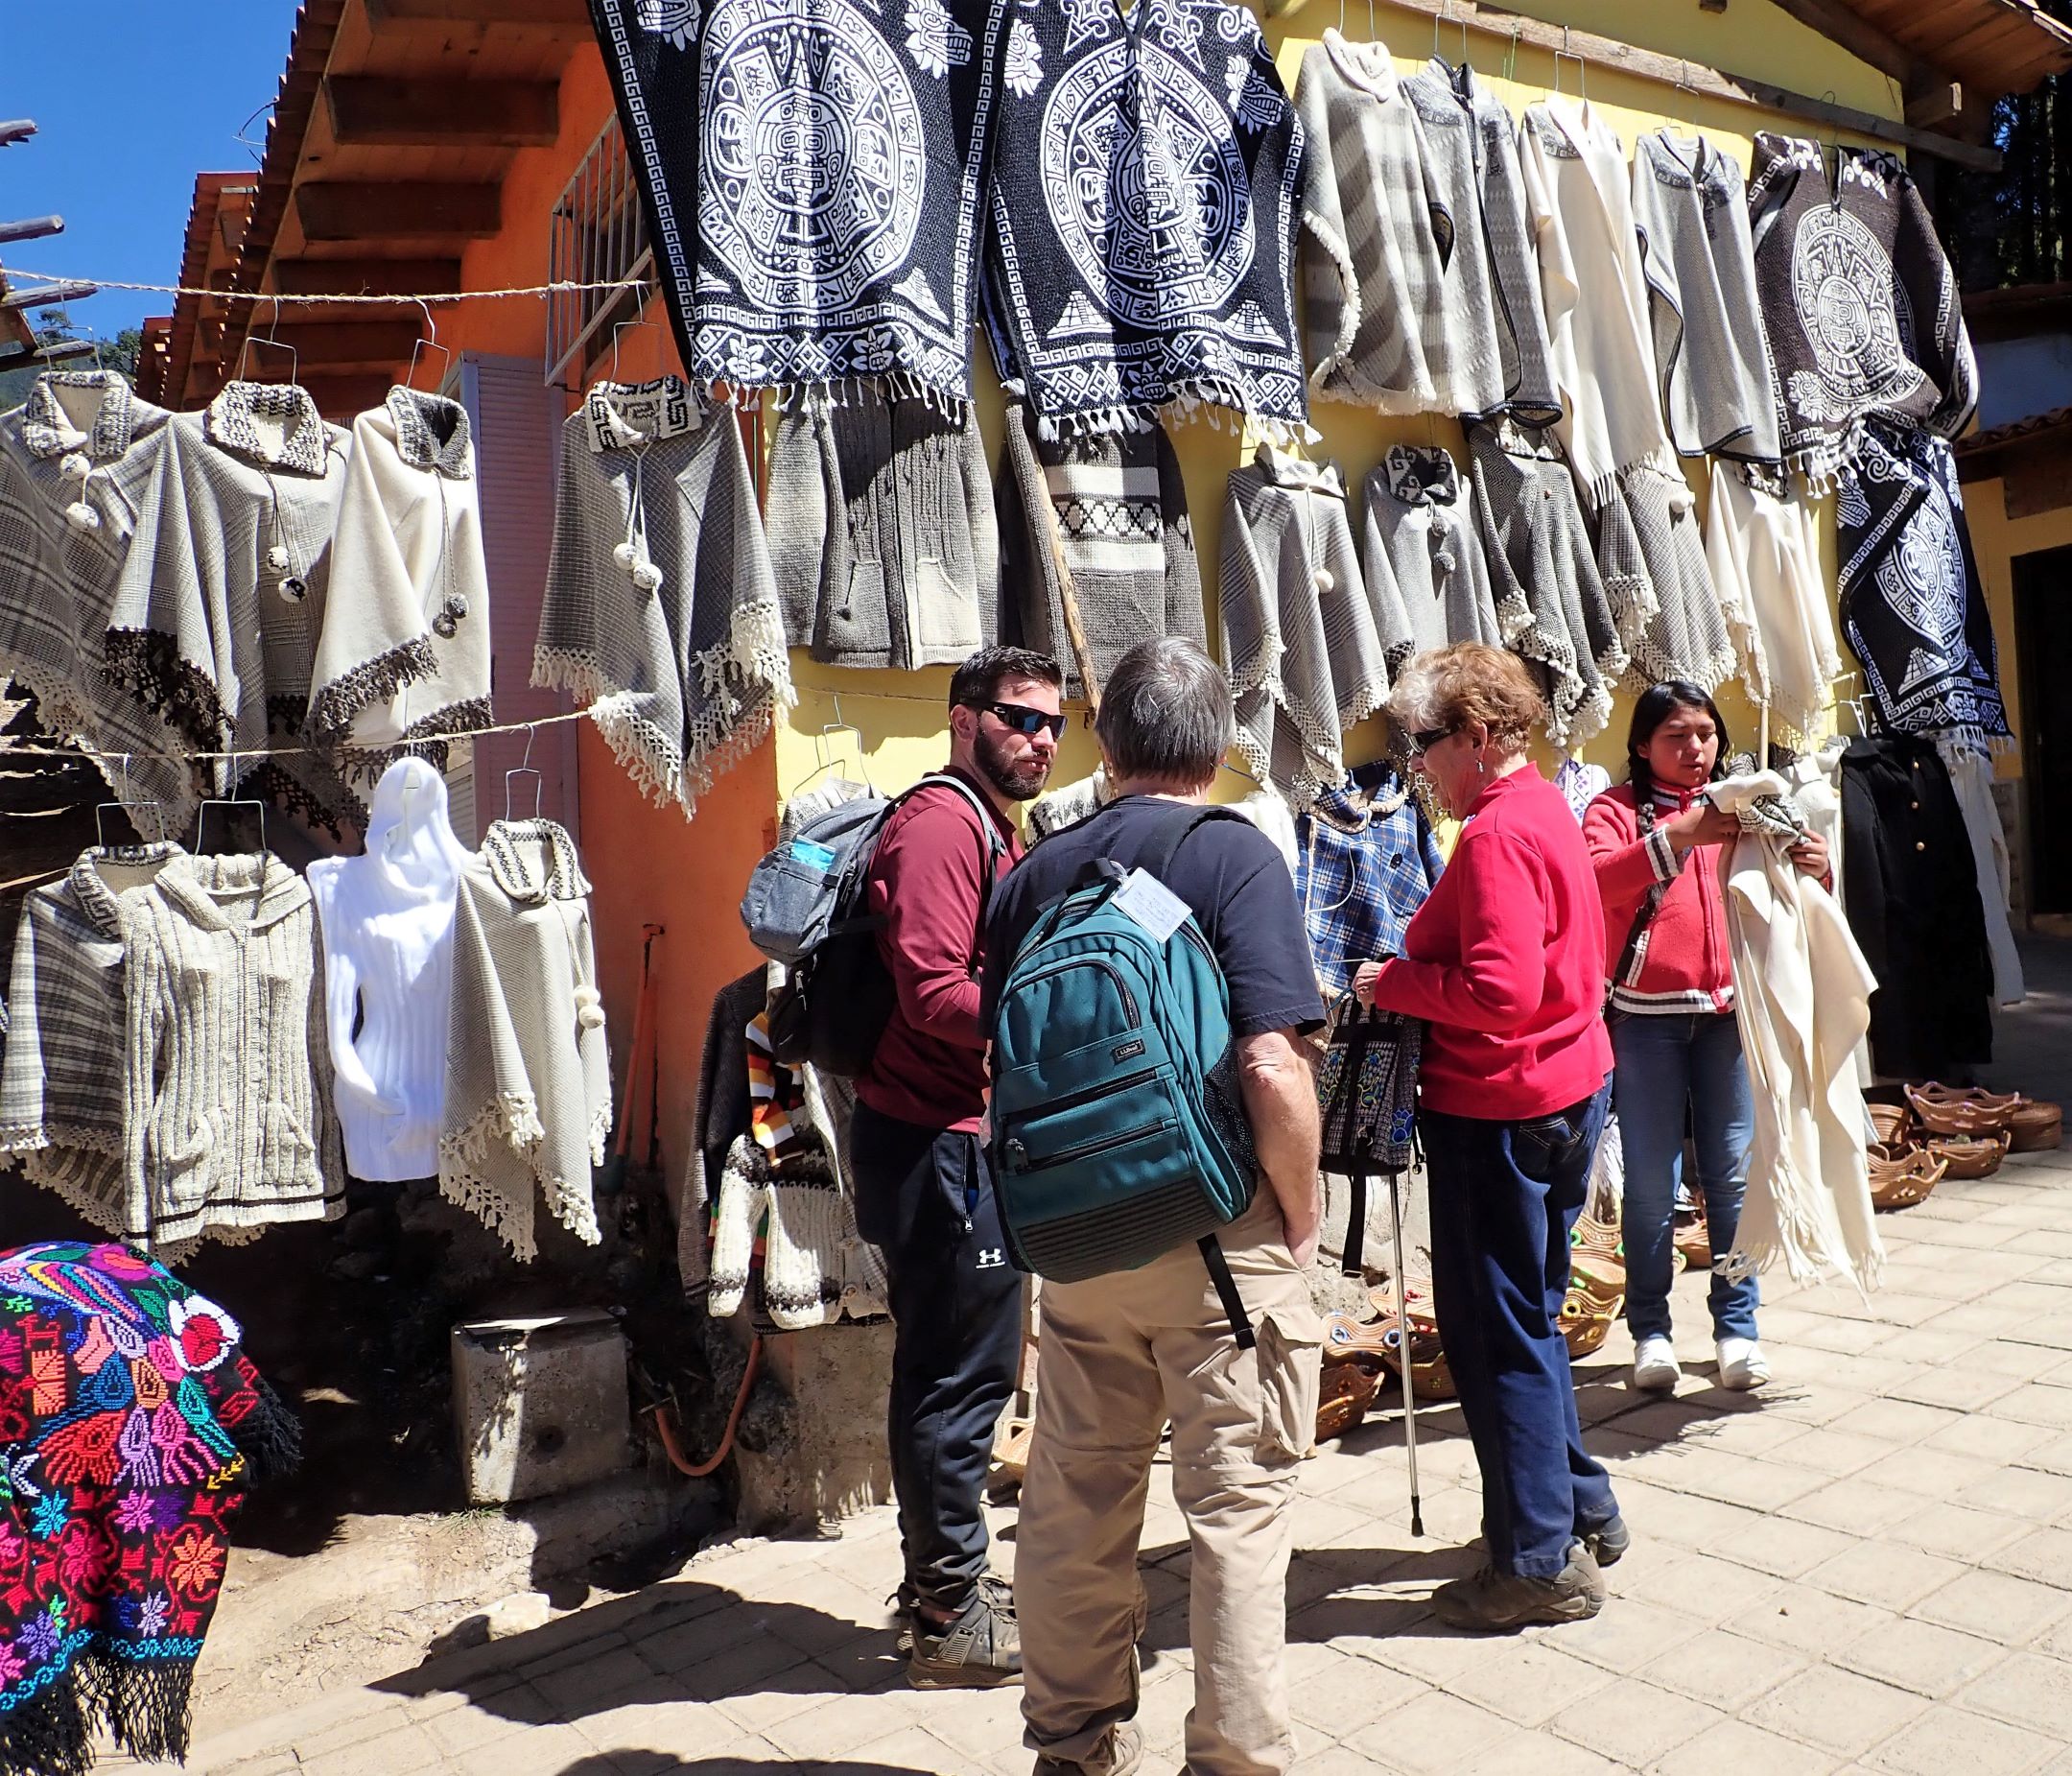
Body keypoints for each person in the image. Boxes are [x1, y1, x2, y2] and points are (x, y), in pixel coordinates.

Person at [983, 637, 1326, 1776]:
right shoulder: (1236, 856)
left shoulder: (1037, 869)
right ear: (1221, 746)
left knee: (1076, 1502)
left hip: (1079, 1241)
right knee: (1236, 1510)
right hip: (1216, 1238)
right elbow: (1272, 1065)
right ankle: (1233, 1759)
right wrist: (1299, 1205)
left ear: (1106, 741)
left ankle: (1070, 1746)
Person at [1353, 642, 1623, 1630]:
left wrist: (1396, 985)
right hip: (1559, 1091)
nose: (1414, 763)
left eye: (1423, 743)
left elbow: (1501, 994)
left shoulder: (1502, 833)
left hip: (1503, 1109)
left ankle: (1538, 1566)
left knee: (1496, 1336)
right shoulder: (1539, 806)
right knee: (1528, 1323)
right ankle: (1572, 1511)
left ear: (1475, 737)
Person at [850, 645, 1064, 1689]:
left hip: (950, 1135)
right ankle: (947, 1608)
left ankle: (947, 1577)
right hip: (936, 1142)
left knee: (955, 1368)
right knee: (956, 1379)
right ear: (962, 717)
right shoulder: (942, 824)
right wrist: (1058, 1023)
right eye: (1021, 719)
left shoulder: (987, 821)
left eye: (1054, 725)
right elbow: (937, 993)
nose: (1042, 740)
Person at [1582, 681, 1829, 1393]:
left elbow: (1794, 895)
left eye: (1706, 734)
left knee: (1732, 1178)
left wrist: (1818, 867)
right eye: (1676, 736)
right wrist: (1677, 837)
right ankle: (1652, 1330)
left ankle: (1737, 1327)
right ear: (1640, 745)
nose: (1695, 749)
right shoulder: (1614, 810)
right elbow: (1595, 882)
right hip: (1643, 1018)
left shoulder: (1749, 804)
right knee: (1652, 1185)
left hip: (1727, 1016)